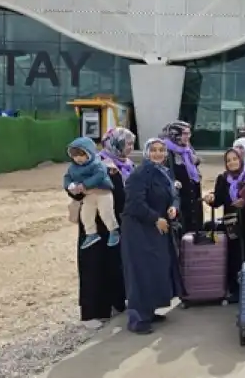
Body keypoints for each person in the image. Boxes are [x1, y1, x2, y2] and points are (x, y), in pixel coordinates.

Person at [120, 138, 183, 335]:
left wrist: (173, 207)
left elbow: (172, 194)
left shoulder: (163, 171)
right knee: (141, 272)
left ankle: (150, 310)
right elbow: (133, 203)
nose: (158, 153)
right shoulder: (141, 173)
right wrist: (155, 218)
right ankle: (137, 318)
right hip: (139, 231)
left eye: (161, 150)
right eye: (154, 150)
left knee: (155, 269)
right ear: (147, 152)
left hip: (155, 230)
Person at [78, 127, 133, 327]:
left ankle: (116, 302)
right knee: (94, 266)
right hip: (96, 225)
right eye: (127, 144)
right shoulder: (97, 164)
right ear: (115, 144)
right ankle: (91, 313)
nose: (130, 148)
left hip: (115, 223)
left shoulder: (127, 165)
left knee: (114, 264)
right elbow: (77, 188)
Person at [205, 149, 245, 303]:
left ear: (240, 159)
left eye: (235, 159)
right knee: (233, 256)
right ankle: (234, 290)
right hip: (231, 224)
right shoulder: (223, 179)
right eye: (228, 160)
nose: (232, 162)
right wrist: (210, 198)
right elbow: (218, 201)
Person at [64, 137, 118, 250]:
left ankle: (113, 231)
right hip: (88, 196)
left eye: (81, 154)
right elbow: (67, 177)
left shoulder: (97, 164)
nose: (78, 158)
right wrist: (69, 186)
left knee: (106, 212)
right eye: (74, 155)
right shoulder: (73, 168)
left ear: (89, 153)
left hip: (102, 193)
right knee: (85, 215)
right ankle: (91, 234)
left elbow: (99, 175)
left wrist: (84, 185)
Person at [162, 121, 203, 234]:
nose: (187, 137)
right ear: (174, 134)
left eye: (189, 133)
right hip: (178, 201)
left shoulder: (188, 149)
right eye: (184, 133)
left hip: (193, 199)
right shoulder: (165, 152)